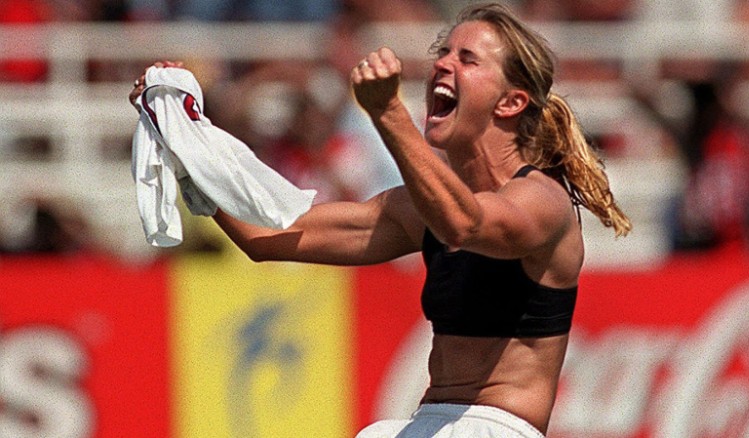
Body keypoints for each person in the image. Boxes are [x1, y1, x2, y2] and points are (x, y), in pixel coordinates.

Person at [129, 3, 630, 437]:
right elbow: (268, 237)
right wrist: (186, 142)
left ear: (511, 102)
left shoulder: (542, 201)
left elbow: (466, 225)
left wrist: (389, 114)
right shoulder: (422, 209)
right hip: (428, 422)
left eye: (466, 58)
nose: (442, 65)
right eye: (443, 53)